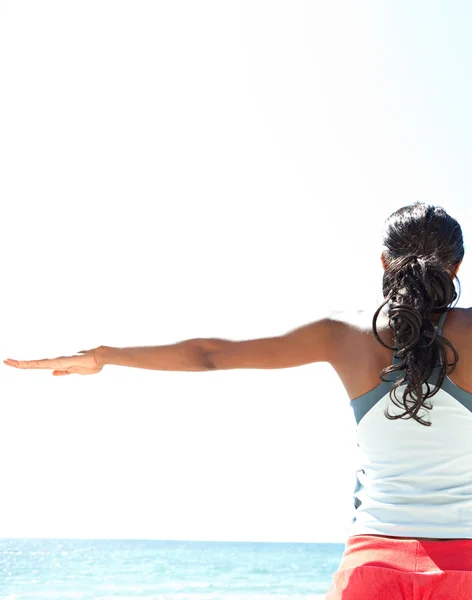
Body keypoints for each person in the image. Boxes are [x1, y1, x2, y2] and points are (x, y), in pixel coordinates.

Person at [4, 202, 472, 599]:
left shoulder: (343, 334)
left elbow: (210, 355)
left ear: (385, 262)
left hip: (371, 567)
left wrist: (103, 357)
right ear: (456, 267)